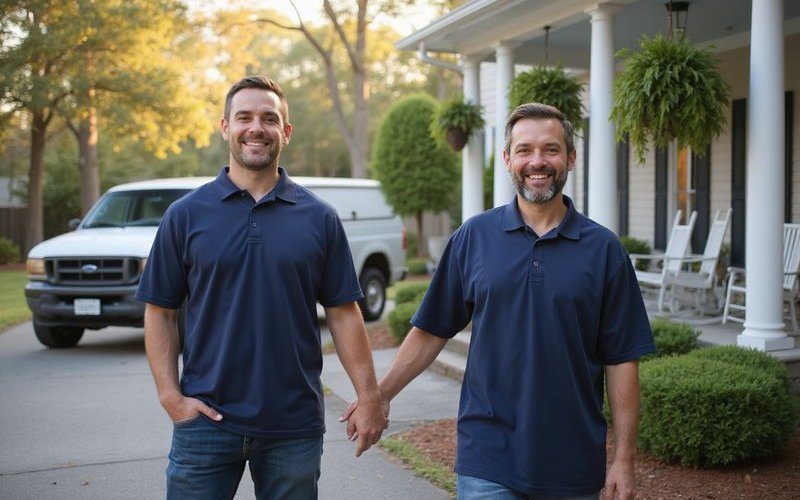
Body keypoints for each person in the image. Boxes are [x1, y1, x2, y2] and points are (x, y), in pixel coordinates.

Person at [344, 103, 655, 499]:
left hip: (572, 462)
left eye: (551, 149)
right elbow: (430, 331)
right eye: (524, 150)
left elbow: (622, 358)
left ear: (571, 158)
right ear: (508, 160)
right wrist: (379, 396)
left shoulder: (604, 251)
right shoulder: (474, 237)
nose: (537, 162)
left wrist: (624, 458)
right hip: (486, 459)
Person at [136, 75, 387, 500]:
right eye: (244, 117)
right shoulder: (185, 215)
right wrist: (170, 396)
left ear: (285, 132)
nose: (256, 128)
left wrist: (369, 397)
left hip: (293, 426)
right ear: (225, 127)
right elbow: (160, 310)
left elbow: (344, 313)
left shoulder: (319, 218)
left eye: (269, 118)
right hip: (205, 424)